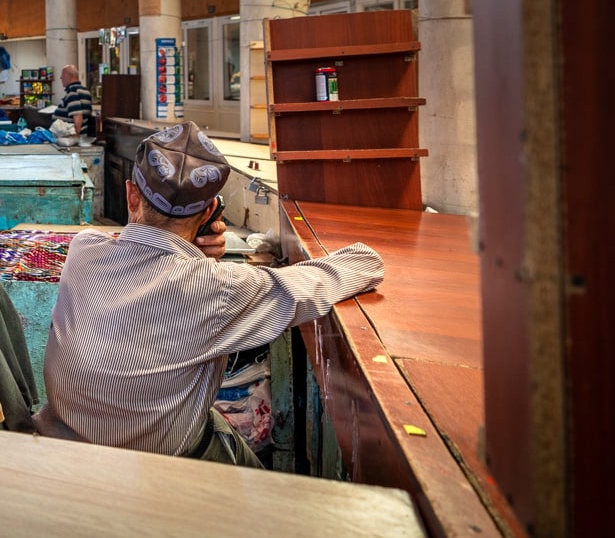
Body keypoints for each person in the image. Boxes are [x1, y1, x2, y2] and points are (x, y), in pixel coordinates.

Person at [34, 121, 384, 465]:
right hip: (152, 468)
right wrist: (199, 255)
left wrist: (197, 253)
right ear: (208, 212)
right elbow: (363, 265)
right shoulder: (217, 288)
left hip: (58, 441)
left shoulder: (84, 249)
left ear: (130, 194)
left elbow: (141, 250)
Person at [55, 65, 93, 135]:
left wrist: (75, 136)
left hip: (71, 136)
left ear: (68, 76)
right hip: (82, 133)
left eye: (62, 75)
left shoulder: (73, 91)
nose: (60, 78)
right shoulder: (85, 90)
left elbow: (77, 115)